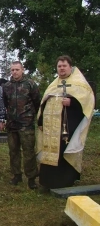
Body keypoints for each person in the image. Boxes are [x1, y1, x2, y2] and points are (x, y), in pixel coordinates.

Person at [37, 55, 94, 189]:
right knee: (50, 151)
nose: (61, 68)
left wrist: (72, 102)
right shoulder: (53, 84)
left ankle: (65, 182)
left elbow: (88, 103)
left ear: (70, 67)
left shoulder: (80, 84)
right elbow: (43, 103)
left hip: (69, 126)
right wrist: (40, 121)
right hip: (51, 129)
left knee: (65, 151)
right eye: (59, 66)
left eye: (64, 66)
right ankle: (48, 182)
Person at [3, 61, 41, 189]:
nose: (14, 72)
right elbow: (5, 103)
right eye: (12, 70)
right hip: (12, 124)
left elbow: (37, 102)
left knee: (29, 151)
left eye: (17, 69)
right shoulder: (7, 86)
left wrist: (32, 117)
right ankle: (16, 175)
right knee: (13, 151)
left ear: (22, 70)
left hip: (26, 124)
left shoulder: (30, 84)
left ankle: (31, 178)